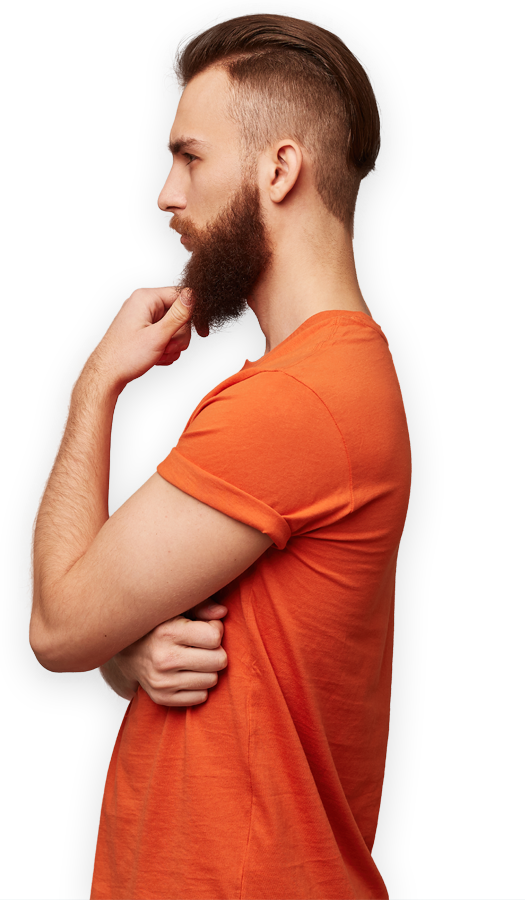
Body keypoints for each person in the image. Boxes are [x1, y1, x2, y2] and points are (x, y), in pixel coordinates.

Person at [27, 12, 412, 899]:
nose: (166, 195)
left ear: (280, 169)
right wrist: (126, 653)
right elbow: (131, 637)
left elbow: (57, 628)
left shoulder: (295, 403)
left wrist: (94, 385)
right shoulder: (331, 379)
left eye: (190, 158)